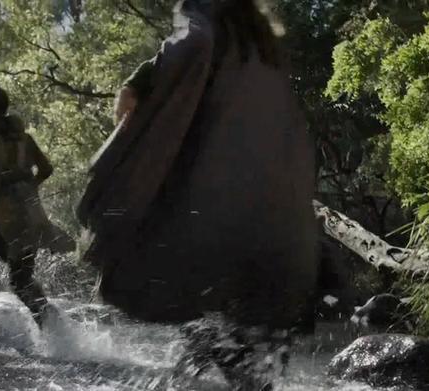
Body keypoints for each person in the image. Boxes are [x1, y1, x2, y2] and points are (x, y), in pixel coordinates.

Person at [77, 0, 317, 388]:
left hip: (214, 198)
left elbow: (191, 45)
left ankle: (218, 376)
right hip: (269, 203)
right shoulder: (256, 35)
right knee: (244, 321)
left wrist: (140, 81)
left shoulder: (203, 14)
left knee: (195, 307)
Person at [0, 84, 58, 341]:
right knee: (21, 280)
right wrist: (25, 189)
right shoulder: (23, 138)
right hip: (27, 214)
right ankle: (55, 333)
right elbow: (46, 168)